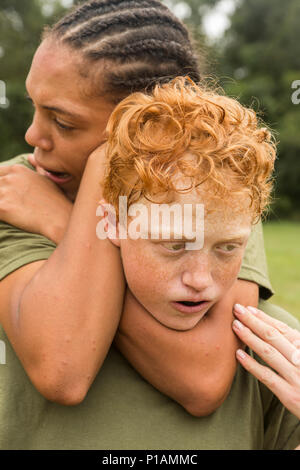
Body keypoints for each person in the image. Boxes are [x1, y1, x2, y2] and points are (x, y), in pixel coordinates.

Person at [0, 0, 269, 417]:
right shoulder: (14, 190)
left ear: (149, 123)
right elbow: (63, 368)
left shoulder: (218, 193)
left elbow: (203, 381)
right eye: (36, 106)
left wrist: (66, 217)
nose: (33, 135)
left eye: (63, 122)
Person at [1, 76, 299, 450]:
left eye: (228, 248)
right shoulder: (26, 317)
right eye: (173, 245)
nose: (200, 280)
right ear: (109, 222)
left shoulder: (277, 351)